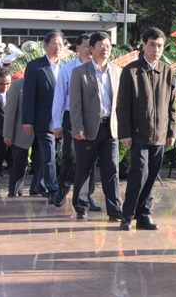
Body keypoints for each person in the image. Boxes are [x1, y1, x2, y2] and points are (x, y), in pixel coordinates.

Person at [117, 27, 176, 231]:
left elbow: (172, 105)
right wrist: (124, 133)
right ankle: (128, 215)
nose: (156, 49)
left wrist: (171, 131)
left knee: (151, 176)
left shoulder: (167, 71)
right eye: (152, 44)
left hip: (159, 135)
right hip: (137, 134)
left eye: (160, 45)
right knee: (138, 173)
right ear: (143, 45)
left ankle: (144, 214)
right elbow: (122, 105)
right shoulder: (131, 71)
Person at [69, 32, 122, 220]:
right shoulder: (79, 73)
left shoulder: (117, 71)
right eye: (101, 45)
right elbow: (75, 104)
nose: (105, 48)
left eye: (108, 45)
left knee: (111, 168)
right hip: (88, 128)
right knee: (84, 168)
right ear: (91, 49)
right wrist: (77, 127)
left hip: (110, 127)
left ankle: (115, 208)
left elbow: (121, 103)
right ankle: (81, 206)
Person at [52, 34, 101, 210]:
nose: (89, 49)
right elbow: (59, 97)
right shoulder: (68, 70)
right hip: (71, 116)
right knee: (70, 155)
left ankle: (87, 196)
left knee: (91, 157)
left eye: (92, 45)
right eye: (87, 45)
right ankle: (61, 191)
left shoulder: (99, 69)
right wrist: (57, 123)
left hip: (92, 118)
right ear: (78, 48)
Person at [22, 31, 65, 204]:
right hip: (43, 119)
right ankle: (52, 189)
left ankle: (38, 185)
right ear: (45, 45)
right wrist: (27, 119)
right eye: (54, 43)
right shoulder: (35, 66)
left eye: (61, 44)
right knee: (48, 154)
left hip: (62, 120)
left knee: (53, 155)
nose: (57, 47)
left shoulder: (66, 67)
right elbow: (29, 95)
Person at [3, 78, 40, 197]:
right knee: (18, 166)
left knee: (40, 164)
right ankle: (14, 194)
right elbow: (10, 111)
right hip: (20, 134)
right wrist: (8, 133)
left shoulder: (46, 83)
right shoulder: (17, 85)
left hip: (41, 133)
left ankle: (35, 192)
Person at [0, 68, 13, 193]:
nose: (5, 87)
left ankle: (15, 194)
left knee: (16, 168)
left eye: (8, 84)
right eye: (1, 84)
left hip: (12, 140)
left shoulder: (14, 94)